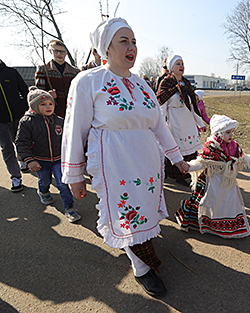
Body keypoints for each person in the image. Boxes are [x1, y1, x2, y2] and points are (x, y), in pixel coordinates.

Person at [61, 18, 189, 298]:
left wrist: (177, 158)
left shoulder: (142, 84)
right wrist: (73, 176)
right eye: (124, 41)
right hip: (115, 163)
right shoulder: (88, 81)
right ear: (105, 47)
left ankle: (143, 247)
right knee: (129, 214)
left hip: (147, 161)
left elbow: (158, 125)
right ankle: (142, 267)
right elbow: (74, 130)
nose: (132, 47)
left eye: (134, 42)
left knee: (145, 209)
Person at [175, 115, 250, 238]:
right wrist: (189, 166)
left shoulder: (233, 146)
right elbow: (200, 162)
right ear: (219, 133)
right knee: (213, 201)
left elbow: (244, 158)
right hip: (213, 181)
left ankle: (227, 224)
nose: (231, 135)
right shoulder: (211, 147)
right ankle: (212, 224)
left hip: (228, 183)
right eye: (228, 132)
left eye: (232, 132)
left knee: (228, 202)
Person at [16, 87, 80, 222]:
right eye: (43, 104)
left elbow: (68, 139)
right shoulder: (27, 122)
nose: (48, 107)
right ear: (34, 106)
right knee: (44, 180)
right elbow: (21, 142)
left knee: (63, 183)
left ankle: (69, 208)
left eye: (50, 103)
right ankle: (43, 192)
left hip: (58, 159)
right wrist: (29, 160)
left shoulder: (59, 121)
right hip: (40, 160)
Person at [157, 54, 206, 187]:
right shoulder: (166, 83)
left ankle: (188, 173)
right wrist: (160, 126)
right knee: (176, 149)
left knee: (190, 151)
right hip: (175, 121)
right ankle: (175, 175)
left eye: (182, 63)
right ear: (171, 67)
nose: (181, 66)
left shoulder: (186, 83)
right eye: (178, 63)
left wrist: (200, 123)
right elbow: (161, 106)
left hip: (188, 122)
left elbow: (193, 106)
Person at [0, 59, 29, 192]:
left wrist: (23, 107)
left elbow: (24, 90)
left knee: (20, 142)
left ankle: (23, 160)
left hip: (18, 116)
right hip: (1, 123)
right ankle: (15, 176)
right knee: (7, 148)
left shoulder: (11, 73)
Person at [35, 39, 80, 118]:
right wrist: (48, 95)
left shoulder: (75, 72)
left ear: (66, 53)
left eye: (62, 52)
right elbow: (39, 93)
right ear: (50, 51)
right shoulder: (43, 70)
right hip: (51, 113)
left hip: (71, 111)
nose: (59, 54)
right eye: (56, 51)